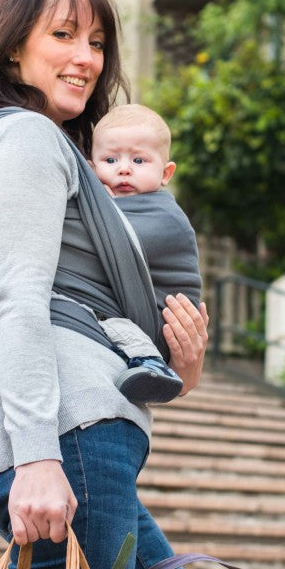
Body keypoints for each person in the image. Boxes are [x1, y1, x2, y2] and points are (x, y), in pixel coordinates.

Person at [0, 0, 209, 569]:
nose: (86, 57)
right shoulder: (26, 137)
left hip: (76, 431)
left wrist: (181, 364)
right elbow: (19, 300)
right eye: (63, 35)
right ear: (12, 50)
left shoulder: (42, 149)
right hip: (65, 434)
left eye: (98, 42)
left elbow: (85, 304)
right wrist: (36, 459)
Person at [89, 103, 202, 406]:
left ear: (166, 173)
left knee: (104, 320)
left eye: (138, 160)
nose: (124, 168)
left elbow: (110, 243)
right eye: (110, 159)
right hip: (140, 316)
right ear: (91, 167)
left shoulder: (165, 215)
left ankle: (150, 365)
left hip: (163, 328)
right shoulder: (120, 204)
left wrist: (100, 206)